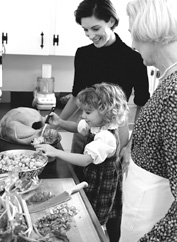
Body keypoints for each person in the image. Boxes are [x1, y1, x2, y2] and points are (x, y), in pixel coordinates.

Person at [59, 1, 150, 240]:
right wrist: (54, 123)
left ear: (111, 21)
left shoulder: (133, 58)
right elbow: (77, 95)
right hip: (85, 124)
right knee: (78, 186)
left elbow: (143, 102)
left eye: (95, 28)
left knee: (110, 201)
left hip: (116, 133)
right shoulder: (83, 54)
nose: (90, 35)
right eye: (85, 30)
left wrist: (130, 144)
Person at [34, 82, 129, 231]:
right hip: (92, 176)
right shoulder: (98, 125)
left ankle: (97, 230)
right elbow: (78, 128)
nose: (83, 116)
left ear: (106, 111)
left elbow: (85, 160)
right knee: (86, 206)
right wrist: (60, 122)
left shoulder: (106, 137)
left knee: (94, 216)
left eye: (88, 112)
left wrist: (56, 152)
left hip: (101, 183)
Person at [119, 0, 177, 241]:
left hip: (149, 223)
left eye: (134, 35)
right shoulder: (168, 82)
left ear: (150, 32)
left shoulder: (173, 94)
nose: (132, 45)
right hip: (140, 210)